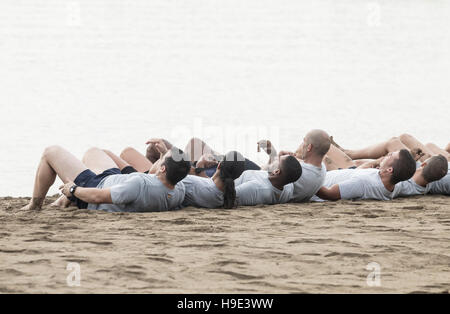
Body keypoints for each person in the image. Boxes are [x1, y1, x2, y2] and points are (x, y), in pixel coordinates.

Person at [21, 145, 191, 212]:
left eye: (161, 159)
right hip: (114, 179)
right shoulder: (177, 190)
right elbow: (154, 179)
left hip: (95, 186)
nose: (159, 159)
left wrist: (72, 190)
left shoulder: (140, 185)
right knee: (93, 152)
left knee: (50, 152)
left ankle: (35, 204)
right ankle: (63, 201)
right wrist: (163, 154)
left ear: (162, 168)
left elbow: (98, 197)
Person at [119, 137, 261, 177]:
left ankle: (156, 159)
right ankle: (156, 157)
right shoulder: (254, 172)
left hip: (164, 173)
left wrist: (198, 167)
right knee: (151, 149)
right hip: (184, 168)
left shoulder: (204, 176)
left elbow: (152, 176)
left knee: (127, 152)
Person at [258, 129, 331, 202]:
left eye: (304, 141)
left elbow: (265, 174)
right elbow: (305, 164)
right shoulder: (322, 169)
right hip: (280, 194)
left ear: (309, 147)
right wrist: (284, 159)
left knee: (246, 163)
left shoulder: (300, 172)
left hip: (262, 188)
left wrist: (274, 156)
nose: (302, 144)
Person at [315, 149, 417, 201]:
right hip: (337, 173)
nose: (387, 155)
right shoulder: (395, 186)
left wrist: (310, 181)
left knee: (316, 145)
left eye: (391, 155)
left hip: (319, 181)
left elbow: (329, 194)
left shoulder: (363, 183)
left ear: (390, 170)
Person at [181, 151, 245, 209]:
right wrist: (199, 168)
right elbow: (210, 186)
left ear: (219, 165)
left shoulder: (192, 183)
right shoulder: (224, 197)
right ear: (237, 177)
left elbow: (174, 177)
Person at [234, 155, 302, 206]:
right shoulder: (288, 188)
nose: (275, 159)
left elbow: (228, 197)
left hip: (234, 179)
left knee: (233, 156)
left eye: (277, 160)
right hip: (255, 173)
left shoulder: (255, 187)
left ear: (277, 171)